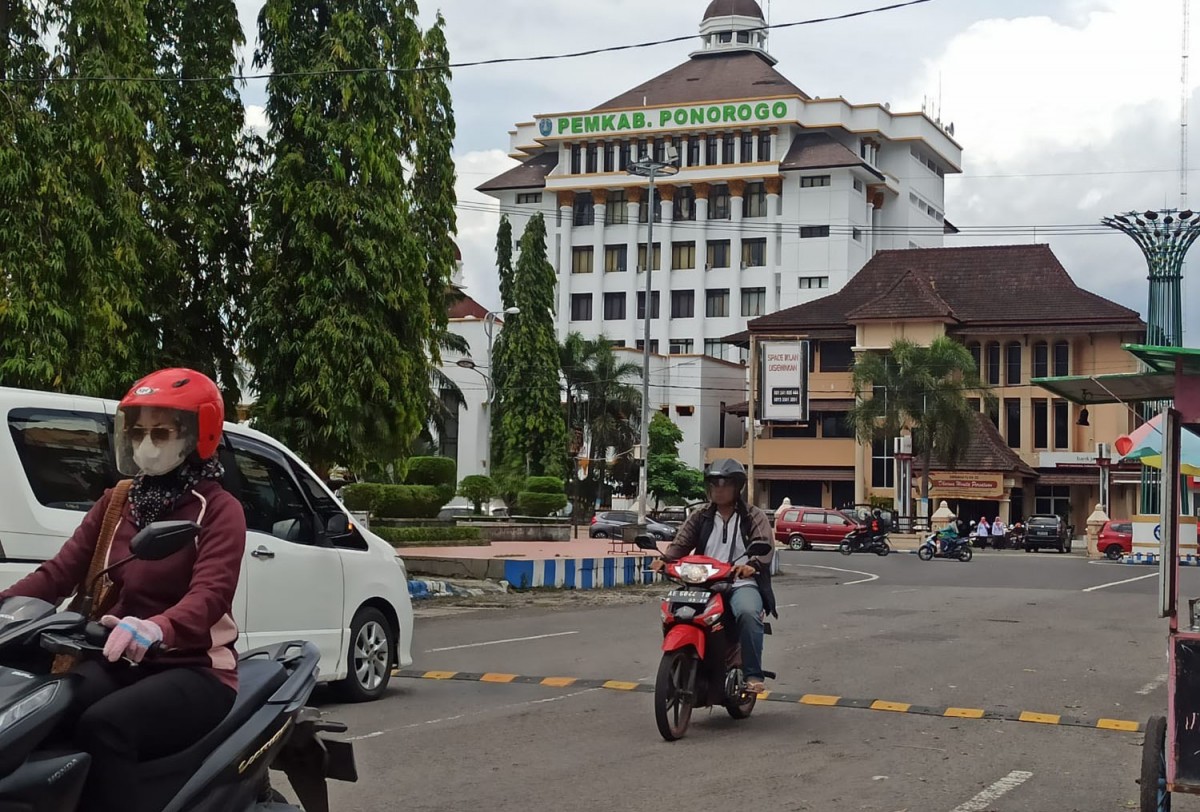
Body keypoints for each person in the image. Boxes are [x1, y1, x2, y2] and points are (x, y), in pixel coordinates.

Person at [0, 368, 246, 812]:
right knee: (42, 711)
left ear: (197, 435)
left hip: (194, 669)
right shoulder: (119, 500)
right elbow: (57, 573)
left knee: (105, 727)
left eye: (161, 431)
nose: (146, 444)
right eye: (137, 432)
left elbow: (210, 595)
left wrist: (157, 628)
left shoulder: (218, 510)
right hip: (118, 658)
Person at [650, 458, 775, 693]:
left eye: (725, 484)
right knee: (672, 612)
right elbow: (681, 543)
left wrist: (753, 565)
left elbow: (764, 544)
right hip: (703, 582)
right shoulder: (700, 516)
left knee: (748, 613)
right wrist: (665, 561)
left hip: (740, 582)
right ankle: (684, 658)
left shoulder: (753, 516)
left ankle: (752, 675)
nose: (718, 490)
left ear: (737, 487)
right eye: (714, 485)